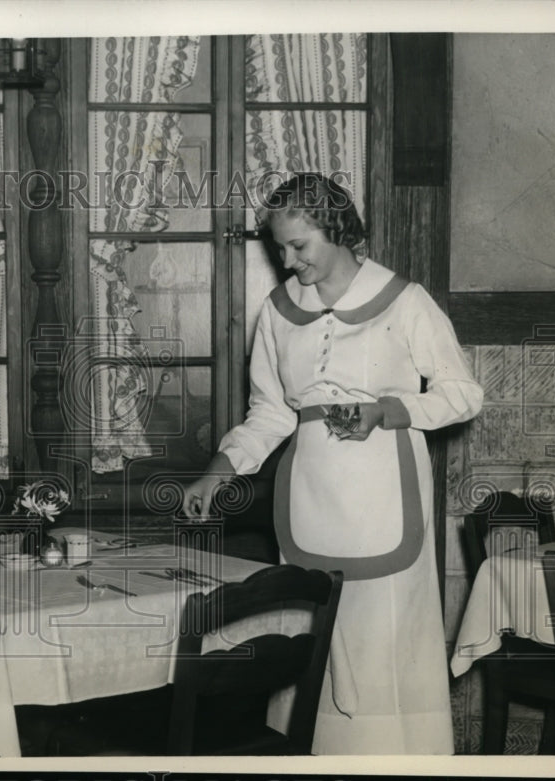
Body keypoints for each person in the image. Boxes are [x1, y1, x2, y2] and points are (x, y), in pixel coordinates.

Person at [182, 173, 483, 754]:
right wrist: (216, 471)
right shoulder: (276, 313)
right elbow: (270, 414)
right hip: (311, 500)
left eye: (300, 246)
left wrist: (388, 411)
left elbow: (464, 393)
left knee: (384, 642)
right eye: (280, 250)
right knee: (313, 637)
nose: (290, 262)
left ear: (337, 228)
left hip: (386, 497)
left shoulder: (404, 299)